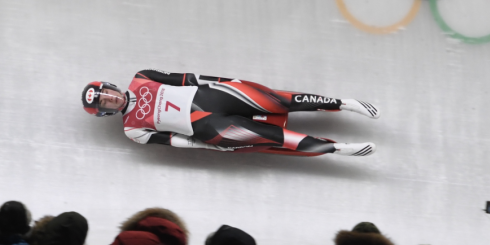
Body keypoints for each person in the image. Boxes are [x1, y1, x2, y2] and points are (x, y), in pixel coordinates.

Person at [82, 69, 379, 156]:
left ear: (111, 86)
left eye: (107, 94)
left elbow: (188, 78)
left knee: (276, 100)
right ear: (105, 112)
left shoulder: (142, 77)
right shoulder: (131, 130)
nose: (111, 99)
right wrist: (208, 147)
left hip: (214, 96)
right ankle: (337, 148)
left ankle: (343, 103)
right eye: (105, 103)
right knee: (273, 136)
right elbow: (173, 141)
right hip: (208, 127)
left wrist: (224, 82)